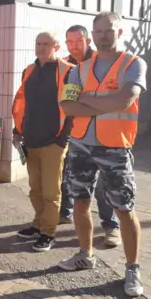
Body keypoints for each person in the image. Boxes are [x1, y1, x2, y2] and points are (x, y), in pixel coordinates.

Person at [58, 12, 146, 297]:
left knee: (124, 209)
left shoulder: (133, 64)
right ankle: (86, 254)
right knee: (80, 203)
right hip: (81, 145)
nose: (103, 36)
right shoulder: (79, 69)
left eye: (108, 30)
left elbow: (125, 99)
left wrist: (86, 97)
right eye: (98, 31)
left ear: (120, 32)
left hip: (115, 147)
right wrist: (102, 102)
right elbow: (67, 107)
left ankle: (132, 268)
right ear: (92, 35)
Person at [59, 25, 121, 248]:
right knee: (71, 178)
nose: (74, 46)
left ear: (88, 40)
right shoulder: (66, 66)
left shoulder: (101, 64)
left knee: (105, 185)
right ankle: (64, 213)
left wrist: (82, 103)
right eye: (70, 41)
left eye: (79, 40)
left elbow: (112, 100)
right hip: (73, 132)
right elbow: (66, 103)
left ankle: (111, 226)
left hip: (104, 135)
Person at [12, 32, 74, 252]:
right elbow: (24, 104)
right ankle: (39, 224)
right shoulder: (29, 70)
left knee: (51, 192)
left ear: (56, 47)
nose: (40, 47)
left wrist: (62, 141)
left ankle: (49, 232)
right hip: (31, 139)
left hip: (53, 142)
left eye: (45, 44)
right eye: (37, 43)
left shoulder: (68, 72)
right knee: (35, 189)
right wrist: (17, 131)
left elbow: (72, 110)